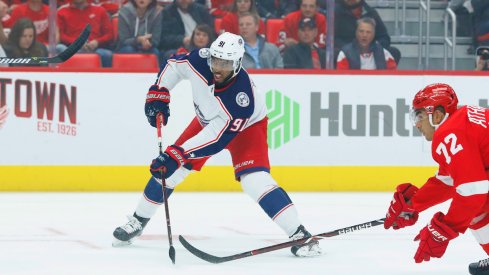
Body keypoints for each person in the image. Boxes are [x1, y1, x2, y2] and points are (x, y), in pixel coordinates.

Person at [112, 32, 321, 258]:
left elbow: (216, 138)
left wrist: (178, 154)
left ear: (238, 63)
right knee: (169, 172)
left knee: (254, 181)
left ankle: (301, 234)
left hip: (246, 129)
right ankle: (138, 221)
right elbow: (173, 65)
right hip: (208, 121)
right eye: (215, 60)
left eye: (226, 63)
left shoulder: (242, 98)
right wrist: (158, 93)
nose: (218, 67)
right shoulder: (200, 60)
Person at [383, 83, 489, 275]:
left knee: (476, 208)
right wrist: (413, 204)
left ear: (437, 115)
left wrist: (443, 230)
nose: (416, 124)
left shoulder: (449, 133)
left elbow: (473, 190)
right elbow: (449, 180)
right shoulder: (461, 120)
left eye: (419, 116)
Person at [335, 0, 401, 64]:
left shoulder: (370, 13)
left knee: (394, 52)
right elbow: (332, 39)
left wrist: (373, 47)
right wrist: (351, 48)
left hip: (371, 51)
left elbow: (384, 37)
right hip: (346, 50)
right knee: (334, 54)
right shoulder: (334, 13)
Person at [57, 0, 114, 67]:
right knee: (59, 48)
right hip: (71, 48)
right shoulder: (62, 12)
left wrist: (97, 42)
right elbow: (61, 35)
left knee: (106, 54)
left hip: (95, 48)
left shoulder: (100, 10)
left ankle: (105, 77)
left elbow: (109, 34)